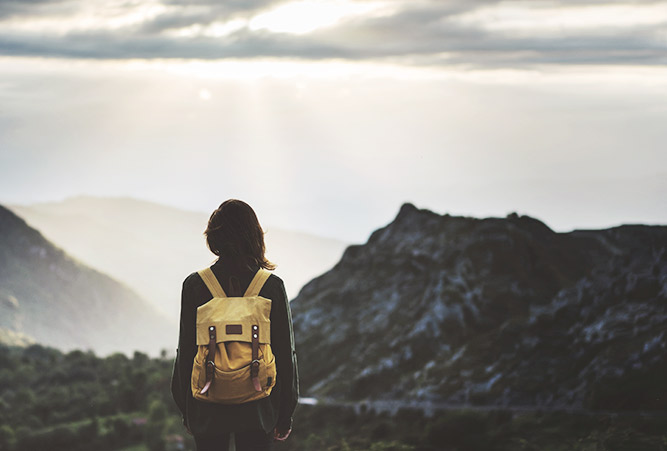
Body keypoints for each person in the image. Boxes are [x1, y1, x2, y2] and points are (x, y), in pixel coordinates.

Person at [171, 199, 299, 451]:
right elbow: (286, 354)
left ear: (214, 236)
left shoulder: (195, 285)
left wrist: (187, 409)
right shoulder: (271, 286)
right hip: (259, 405)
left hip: (207, 404)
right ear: (254, 235)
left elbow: (185, 351)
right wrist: (285, 413)